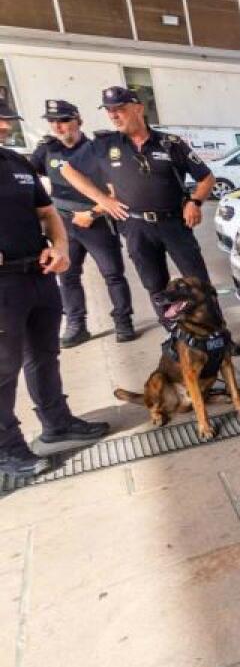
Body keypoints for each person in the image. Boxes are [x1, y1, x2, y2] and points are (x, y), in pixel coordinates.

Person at [0, 93, 108, 476]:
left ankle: (57, 424)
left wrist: (60, 247)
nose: (5, 126)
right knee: (3, 367)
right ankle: (8, 449)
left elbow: (46, 213)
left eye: (6, 119)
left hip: (38, 274)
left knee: (44, 355)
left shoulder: (16, 162)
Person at [59, 87, 221, 327]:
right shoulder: (104, 145)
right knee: (155, 286)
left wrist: (195, 202)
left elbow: (207, 178)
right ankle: (175, 334)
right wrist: (103, 201)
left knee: (198, 282)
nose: (114, 115)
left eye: (120, 109)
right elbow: (67, 170)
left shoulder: (169, 143)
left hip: (174, 224)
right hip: (136, 227)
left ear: (138, 108)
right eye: (109, 111)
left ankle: (217, 332)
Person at [29, 99, 136, 346]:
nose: (58, 126)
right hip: (64, 225)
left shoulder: (98, 147)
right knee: (67, 276)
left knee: (113, 275)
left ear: (79, 121)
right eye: (53, 122)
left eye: (65, 121)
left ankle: (123, 321)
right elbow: (26, 176)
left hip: (96, 222)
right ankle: (77, 324)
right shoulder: (46, 149)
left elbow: (117, 189)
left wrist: (92, 214)